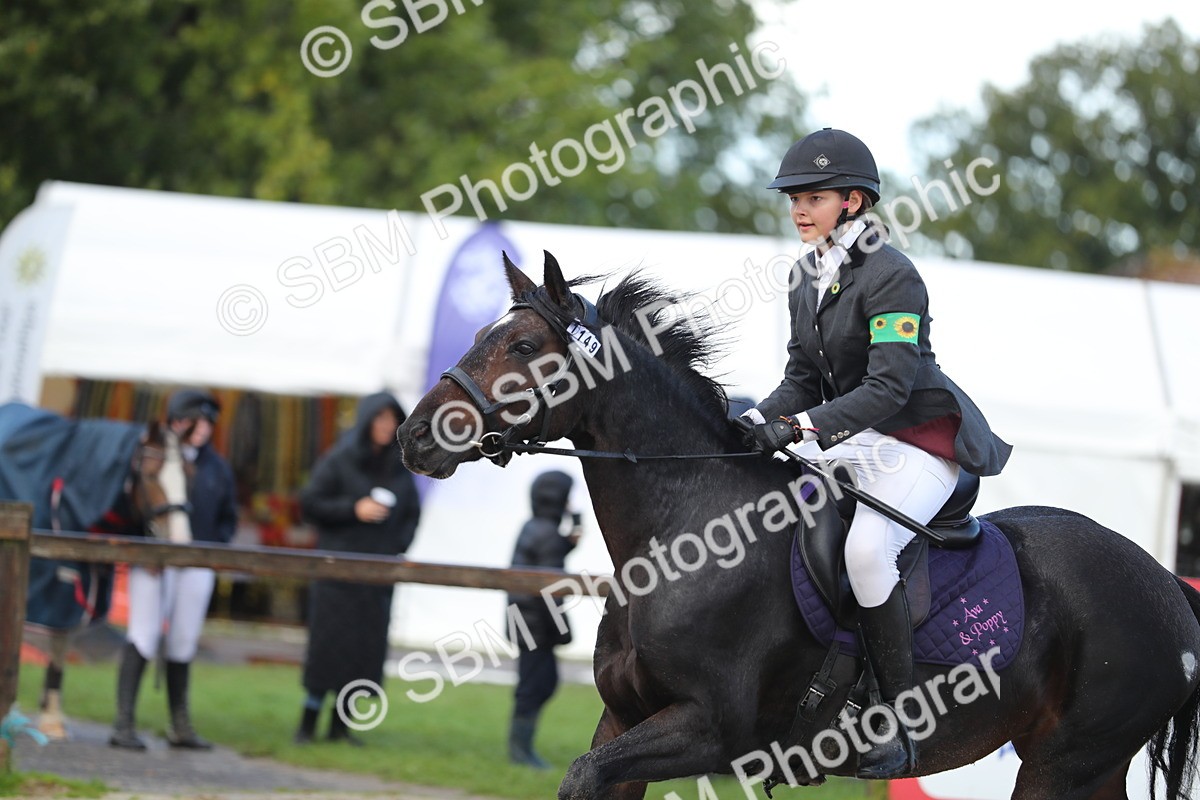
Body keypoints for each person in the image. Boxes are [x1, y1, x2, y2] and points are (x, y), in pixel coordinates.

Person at [741, 128, 1012, 779]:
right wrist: (753, 420)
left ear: (854, 201)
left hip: (918, 440)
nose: (798, 210)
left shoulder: (893, 275)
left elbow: (888, 388)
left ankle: (898, 721)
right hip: (856, 436)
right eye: (793, 199)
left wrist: (800, 426)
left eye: (813, 198)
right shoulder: (805, 276)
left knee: (867, 551)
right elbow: (802, 377)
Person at [110, 388, 238, 750]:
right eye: (194, 421)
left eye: (207, 422)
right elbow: (132, 506)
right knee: (143, 634)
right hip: (153, 562)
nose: (202, 429)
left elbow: (227, 518)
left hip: (196, 564)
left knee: (183, 640)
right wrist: (147, 548)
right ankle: (123, 723)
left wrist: (209, 552)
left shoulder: (217, 468)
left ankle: (180, 725)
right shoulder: (152, 456)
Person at [294, 392, 420, 745]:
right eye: (379, 418)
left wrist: (396, 546)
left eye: (391, 419)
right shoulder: (339, 459)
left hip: (378, 577)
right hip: (337, 573)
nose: (386, 426)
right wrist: (353, 509)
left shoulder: (400, 466)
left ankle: (341, 727)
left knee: (364, 652)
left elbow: (412, 515)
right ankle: (307, 725)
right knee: (327, 648)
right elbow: (310, 504)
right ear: (367, 420)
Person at [506, 470, 581, 768]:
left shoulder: (536, 527)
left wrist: (572, 531)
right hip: (535, 623)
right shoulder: (548, 534)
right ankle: (520, 752)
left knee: (541, 682)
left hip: (524, 619)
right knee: (535, 685)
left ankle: (521, 748)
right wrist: (563, 631)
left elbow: (553, 552)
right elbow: (551, 592)